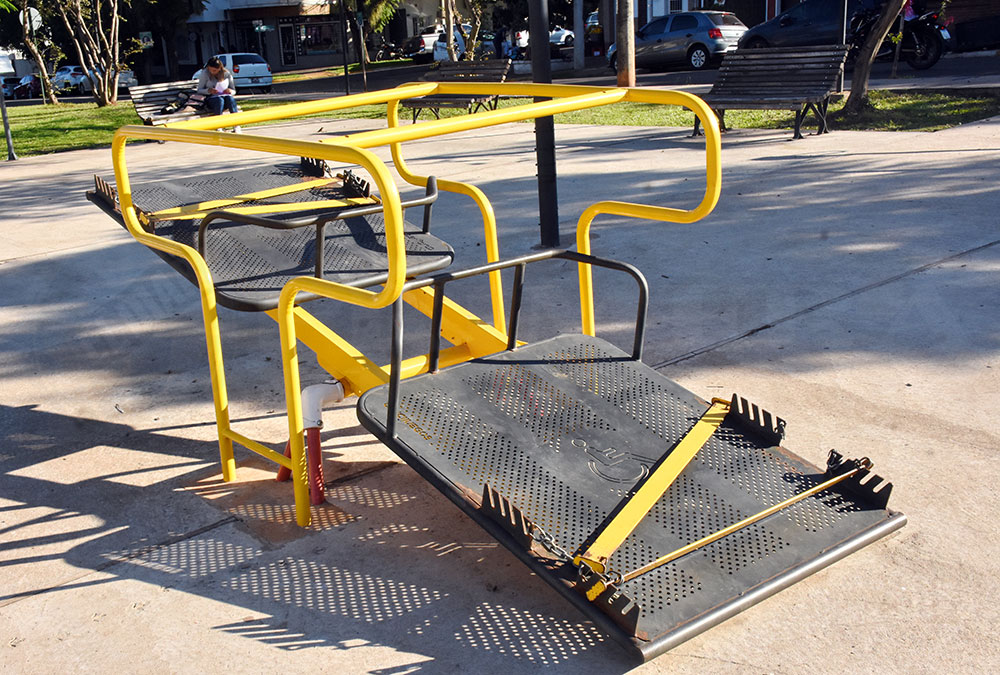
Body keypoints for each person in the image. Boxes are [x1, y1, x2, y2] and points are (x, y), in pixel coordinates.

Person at [196, 56, 240, 130]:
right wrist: (208, 91)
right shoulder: (205, 73)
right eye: (210, 70)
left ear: (220, 68)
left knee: (230, 99)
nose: (212, 72)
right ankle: (219, 125)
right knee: (219, 100)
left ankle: (236, 125)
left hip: (225, 97)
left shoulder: (226, 74)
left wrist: (230, 91)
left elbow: (233, 90)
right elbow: (199, 90)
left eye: (215, 70)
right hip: (211, 98)